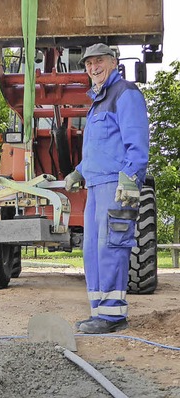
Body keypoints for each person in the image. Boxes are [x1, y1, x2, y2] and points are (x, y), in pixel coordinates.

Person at [64, 43, 150, 334]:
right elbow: (97, 150)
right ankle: (99, 313)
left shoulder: (125, 93)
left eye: (99, 61)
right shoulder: (97, 102)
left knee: (112, 247)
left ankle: (114, 316)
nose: (93, 67)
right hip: (95, 186)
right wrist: (78, 171)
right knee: (93, 251)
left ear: (113, 62)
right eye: (88, 63)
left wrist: (129, 186)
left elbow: (136, 146)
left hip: (116, 185)